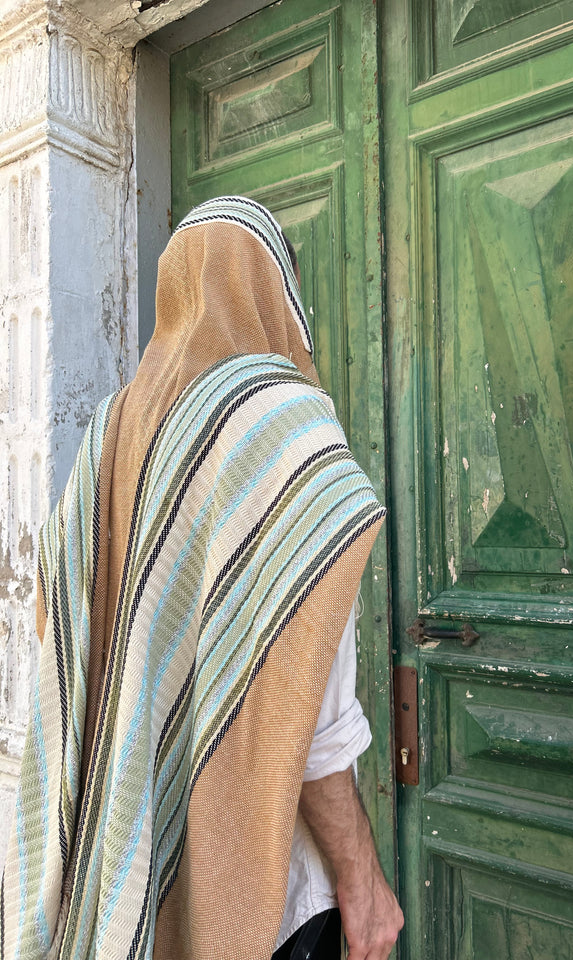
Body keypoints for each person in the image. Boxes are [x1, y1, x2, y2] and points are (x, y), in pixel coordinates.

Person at [1, 197, 403, 960]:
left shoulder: (107, 439)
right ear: (274, 285)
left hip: (127, 849)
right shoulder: (286, 426)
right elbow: (308, 708)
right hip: (270, 892)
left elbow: (65, 638)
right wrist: (362, 882)